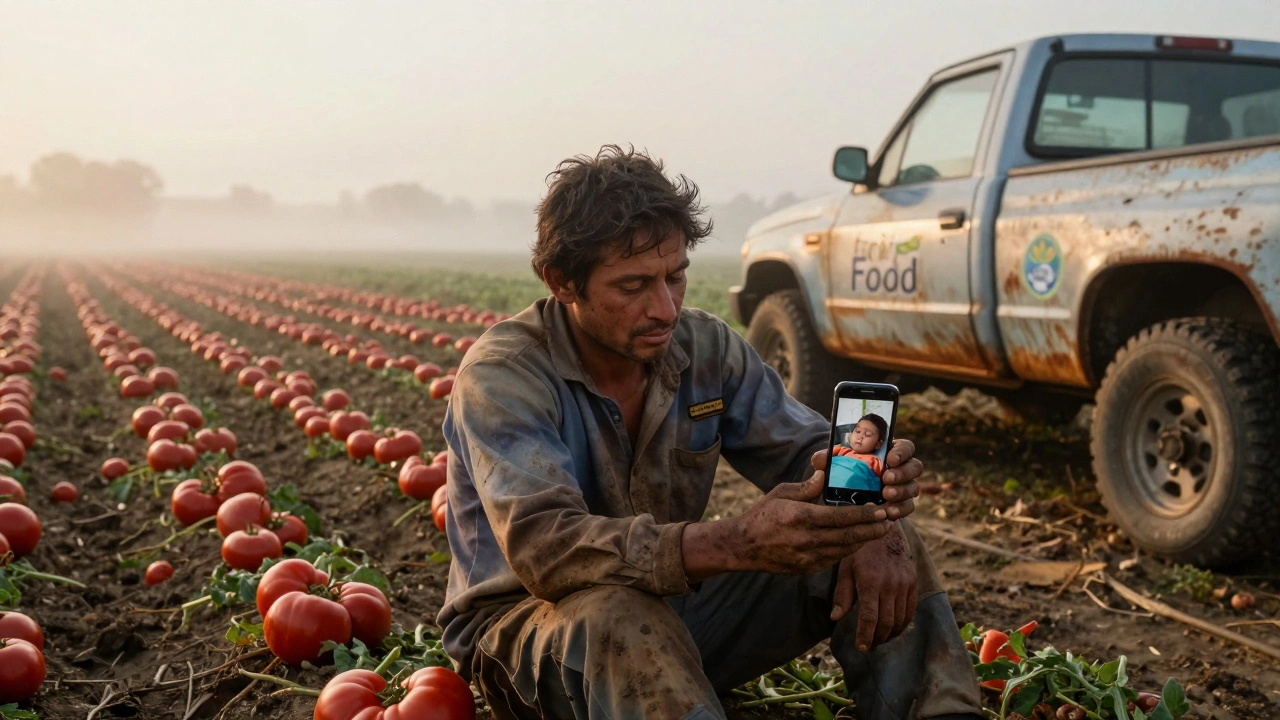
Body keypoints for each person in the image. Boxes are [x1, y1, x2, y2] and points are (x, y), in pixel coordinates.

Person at [437, 145, 984, 720]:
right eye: (633, 286)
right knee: (621, 614)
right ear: (562, 282)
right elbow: (547, 549)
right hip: (531, 641)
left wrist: (871, 517)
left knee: (866, 538)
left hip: (672, 617)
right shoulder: (504, 376)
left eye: (676, 277)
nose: (665, 307)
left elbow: (804, 449)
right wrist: (737, 540)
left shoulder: (704, 347)